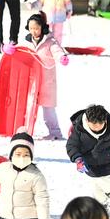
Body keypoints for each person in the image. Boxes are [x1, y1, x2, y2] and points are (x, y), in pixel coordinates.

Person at [65, 105, 110, 211]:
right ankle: (102, 203)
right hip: (89, 161)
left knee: (102, 178)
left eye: (100, 124)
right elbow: (72, 145)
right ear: (87, 121)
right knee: (94, 182)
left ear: (105, 120)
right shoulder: (79, 129)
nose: (97, 127)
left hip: (107, 158)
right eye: (94, 125)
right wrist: (78, 159)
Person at [20, 12, 66, 140]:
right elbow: (20, 51)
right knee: (28, 107)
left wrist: (62, 57)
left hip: (47, 81)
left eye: (36, 28)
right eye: (31, 28)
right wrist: (10, 50)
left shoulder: (50, 41)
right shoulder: (27, 42)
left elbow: (57, 50)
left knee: (48, 109)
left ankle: (55, 132)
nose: (33, 31)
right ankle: (26, 132)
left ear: (42, 28)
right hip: (31, 81)